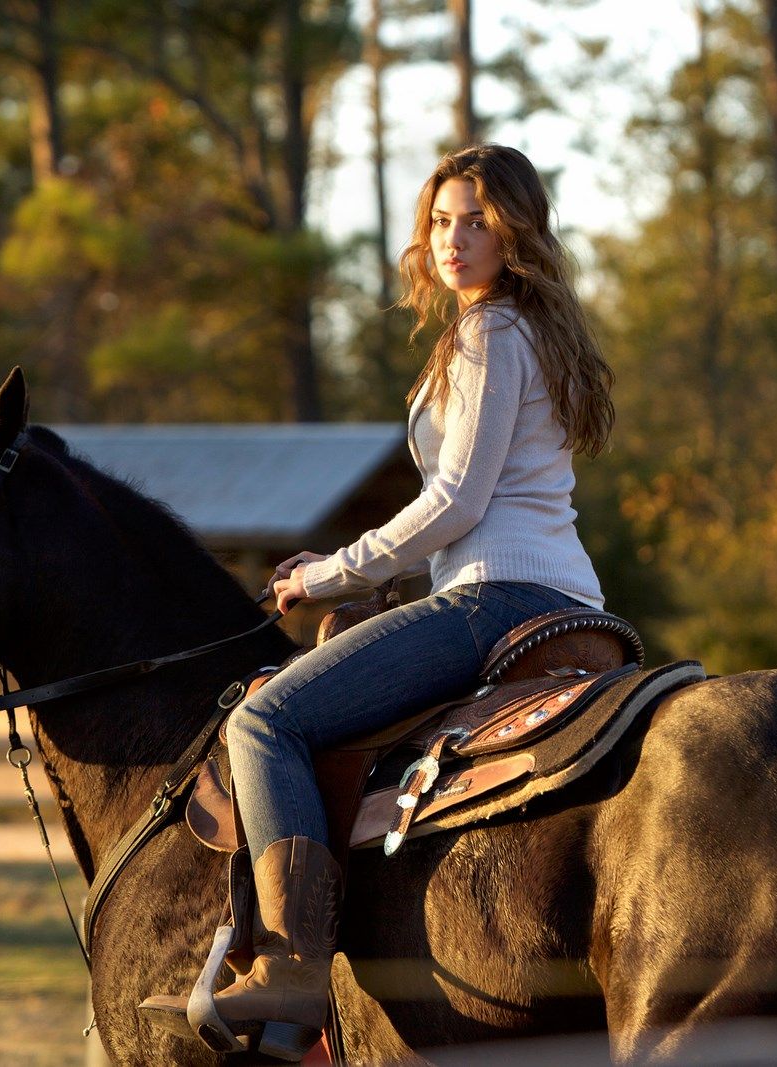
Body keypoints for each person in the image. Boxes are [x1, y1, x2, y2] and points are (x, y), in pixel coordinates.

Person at [140, 143, 615, 1058]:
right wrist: (382, 574)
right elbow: (489, 501)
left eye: (477, 221)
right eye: (440, 220)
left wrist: (333, 574)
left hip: (496, 598)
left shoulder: (489, 332)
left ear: (515, 232)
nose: (453, 239)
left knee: (264, 722)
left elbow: (459, 502)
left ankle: (290, 965)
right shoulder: (536, 328)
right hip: (565, 597)